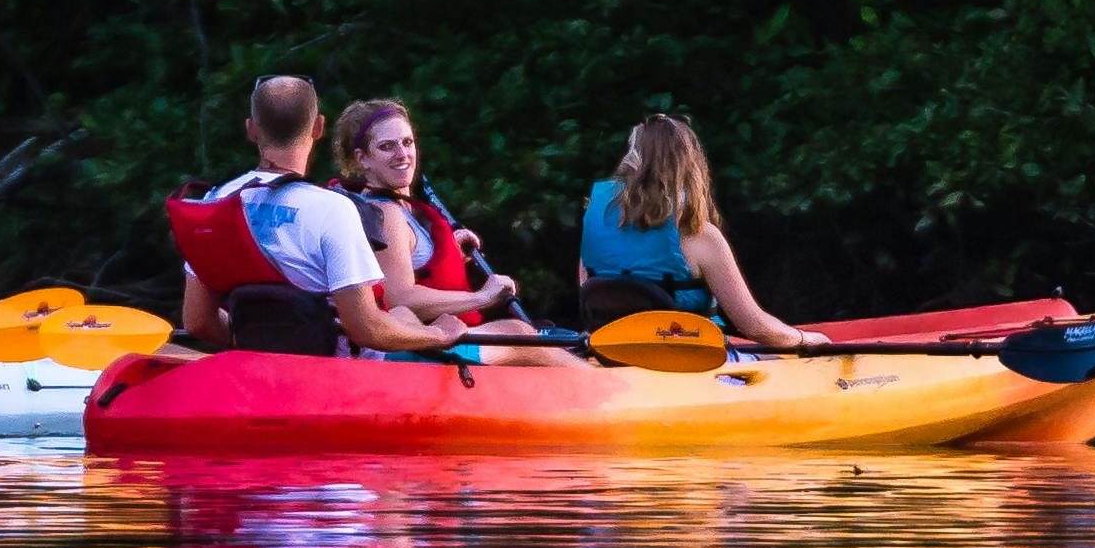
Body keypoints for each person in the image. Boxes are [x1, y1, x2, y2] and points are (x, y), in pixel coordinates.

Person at [168, 77, 490, 357]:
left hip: (258, 364)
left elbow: (198, 321)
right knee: (404, 316)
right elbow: (366, 329)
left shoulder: (213, 202)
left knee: (404, 313)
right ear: (318, 127)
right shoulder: (332, 209)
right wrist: (439, 335)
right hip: (333, 375)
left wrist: (259, 343)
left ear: (251, 130)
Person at [574, 111, 812, 346]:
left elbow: (588, 289)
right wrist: (806, 339)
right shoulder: (699, 236)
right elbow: (757, 328)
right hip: (686, 359)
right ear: (690, 168)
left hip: (611, 353)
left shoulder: (594, 228)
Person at [330, 96, 520, 321]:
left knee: (524, 335)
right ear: (362, 159)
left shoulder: (396, 207)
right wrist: (483, 296)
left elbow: (410, 257)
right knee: (520, 332)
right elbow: (399, 298)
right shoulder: (385, 214)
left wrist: (446, 246)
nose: (402, 154)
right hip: (424, 342)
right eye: (387, 146)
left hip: (440, 334)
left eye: (407, 142)